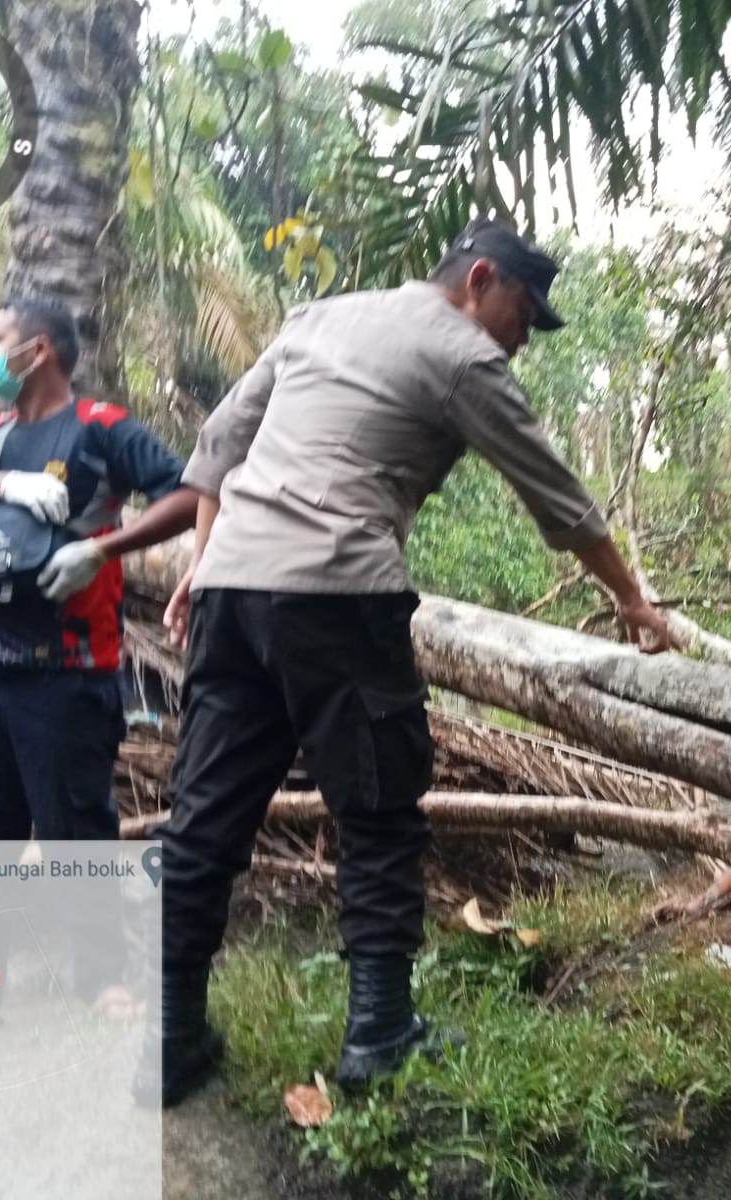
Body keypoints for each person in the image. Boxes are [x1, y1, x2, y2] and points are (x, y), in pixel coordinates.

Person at [134, 217, 673, 1109]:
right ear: (481, 281)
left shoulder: (318, 318)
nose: (518, 338)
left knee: (202, 824)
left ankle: (168, 1043)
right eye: (520, 315)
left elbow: (220, 448)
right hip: (340, 596)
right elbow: (560, 500)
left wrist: (203, 562)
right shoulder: (462, 354)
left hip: (233, 596)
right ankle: (380, 1032)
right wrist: (633, 601)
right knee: (380, 811)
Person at [0, 296, 199, 1042]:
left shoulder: (101, 429)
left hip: (68, 673)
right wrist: (0, 486)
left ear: (39, 351)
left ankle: (101, 974)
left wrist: (104, 547)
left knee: (76, 832)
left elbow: (192, 492)